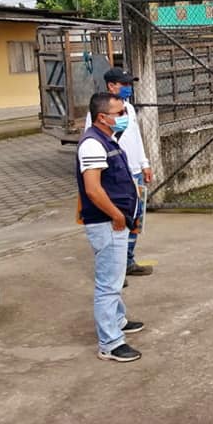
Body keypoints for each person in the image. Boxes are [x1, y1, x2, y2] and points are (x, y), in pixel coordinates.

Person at [77, 92, 143, 363]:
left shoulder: (108, 139)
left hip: (116, 220)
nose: (125, 117)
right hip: (107, 223)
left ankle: (118, 320)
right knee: (108, 284)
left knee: (114, 277)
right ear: (103, 117)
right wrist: (116, 216)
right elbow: (93, 190)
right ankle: (110, 343)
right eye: (119, 113)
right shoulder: (93, 144)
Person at [84, 67, 153, 278]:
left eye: (129, 84)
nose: (128, 88)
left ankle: (128, 261)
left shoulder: (128, 109)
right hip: (115, 175)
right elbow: (93, 142)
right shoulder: (99, 114)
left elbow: (137, 137)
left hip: (134, 172)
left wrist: (144, 163)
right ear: (111, 86)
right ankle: (116, 268)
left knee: (135, 219)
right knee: (117, 221)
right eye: (124, 84)